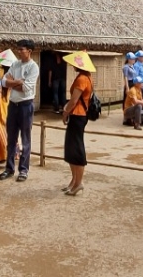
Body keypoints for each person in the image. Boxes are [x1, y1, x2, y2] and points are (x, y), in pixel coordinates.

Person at [0, 40, 38, 182]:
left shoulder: (33, 67)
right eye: (18, 49)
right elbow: (3, 82)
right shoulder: (15, 64)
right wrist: (18, 81)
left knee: (25, 139)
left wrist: (12, 83)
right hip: (13, 104)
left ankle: (23, 169)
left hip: (25, 105)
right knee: (11, 138)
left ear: (29, 51)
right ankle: (9, 168)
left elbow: (26, 88)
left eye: (22, 49)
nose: (19, 52)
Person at [61, 51, 94, 196]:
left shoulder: (82, 79)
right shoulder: (86, 77)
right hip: (78, 115)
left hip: (78, 115)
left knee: (77, 148)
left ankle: (78, 182)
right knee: (71, 148)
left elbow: (74, 100)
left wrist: (65, 111)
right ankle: (74, 181)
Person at [0, 49, 16, 162]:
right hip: (7, 105)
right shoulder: (13, 75)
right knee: (5, 129)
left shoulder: (1, 74)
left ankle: (0, 154)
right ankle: (5, 154)